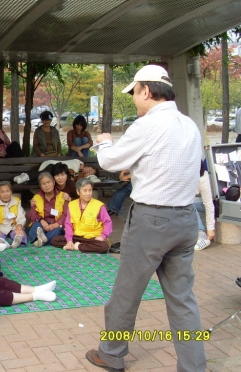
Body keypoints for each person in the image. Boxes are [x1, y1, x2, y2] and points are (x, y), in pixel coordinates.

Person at [85, 64, 206, 372]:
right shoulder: (189, 126)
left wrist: (105, 140)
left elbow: (109, 160)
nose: (134, 100)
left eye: (135, 93)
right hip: (186, 218)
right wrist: (138, 171)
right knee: (182, 299)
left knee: (126, 293)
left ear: (147, 91)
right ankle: (193, 366)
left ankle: (111, 354)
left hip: (152, 221)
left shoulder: (148, 125)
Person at [51, 179, 112, 252]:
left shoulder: (99, 205)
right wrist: (69, 240)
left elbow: (108, 222)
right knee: (54, 240)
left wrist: (103, 236)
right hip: (77, 236)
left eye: (90, 190)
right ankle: (75, 245)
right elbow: (68, 224)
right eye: (85, 190)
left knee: (103, 247)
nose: (88, 193)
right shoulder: (72, 204)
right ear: (78, 192)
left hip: (92, 237)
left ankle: (77, 246)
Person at [28, 172, 68, 247]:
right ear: (40, 186)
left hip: (56, 224)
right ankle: (43, 238)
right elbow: (32, 214)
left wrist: (55, 225)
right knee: (35, 225)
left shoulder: (63, 196)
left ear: (53, 182)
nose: (47, 185)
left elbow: (66, 214)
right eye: (44, 184)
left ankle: (39, 241)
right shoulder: (37, 197)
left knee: (58, 231)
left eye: (48, 182)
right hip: (42, 224)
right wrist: (41, 220)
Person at [0, 181, 27, 248]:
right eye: (2, 192)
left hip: (13, 226)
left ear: (11, 191)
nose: (5, 194)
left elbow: (21, 215)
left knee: (20, 233)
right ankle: (0, 241)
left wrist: (19, 227)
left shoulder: (17, 201)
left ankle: (18, 240)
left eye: (7, 191)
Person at [194, 161, 215, 250]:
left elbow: (208, 204)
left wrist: (210, 228)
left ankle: (201, 233)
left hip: (203, 203)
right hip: (193, 200)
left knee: (189, 204)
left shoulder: (203, 178)